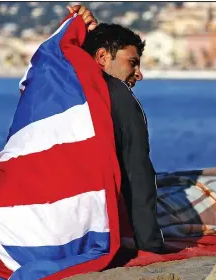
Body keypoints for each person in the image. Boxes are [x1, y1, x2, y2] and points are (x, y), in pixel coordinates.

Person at [67, 5, 166, 254]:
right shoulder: (118, 95)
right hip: (83, 227)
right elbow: (138, 174)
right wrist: (151, 247)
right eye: (132, 63)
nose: (139, 74)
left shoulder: (69, 86)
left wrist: (90, 32)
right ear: (101, 58)